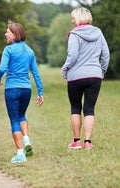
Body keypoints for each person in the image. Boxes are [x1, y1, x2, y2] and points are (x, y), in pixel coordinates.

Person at [0, 21, 44, 163]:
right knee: (22, 115)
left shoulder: (8, 50)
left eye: (8, 32)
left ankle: (20, 154)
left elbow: (2, 68)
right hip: (26, 89)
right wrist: (40, 92)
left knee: (14, 119)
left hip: (12, 89)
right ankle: (26, 140)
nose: (5, 34)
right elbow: (36, 73)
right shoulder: (30, 51)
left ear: (15, 35)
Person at [61, 7, 110, 150]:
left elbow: (73, 56)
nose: (72, 20)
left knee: (76, 108)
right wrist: (101, 71)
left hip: (76, 77)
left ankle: (76, 141)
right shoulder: (98, 33)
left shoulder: (74, 35)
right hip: (94, 76)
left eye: (73, 18)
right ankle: (88, 142)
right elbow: (105, 55)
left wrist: (65, 68)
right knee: (89, 109)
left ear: (79, 18)